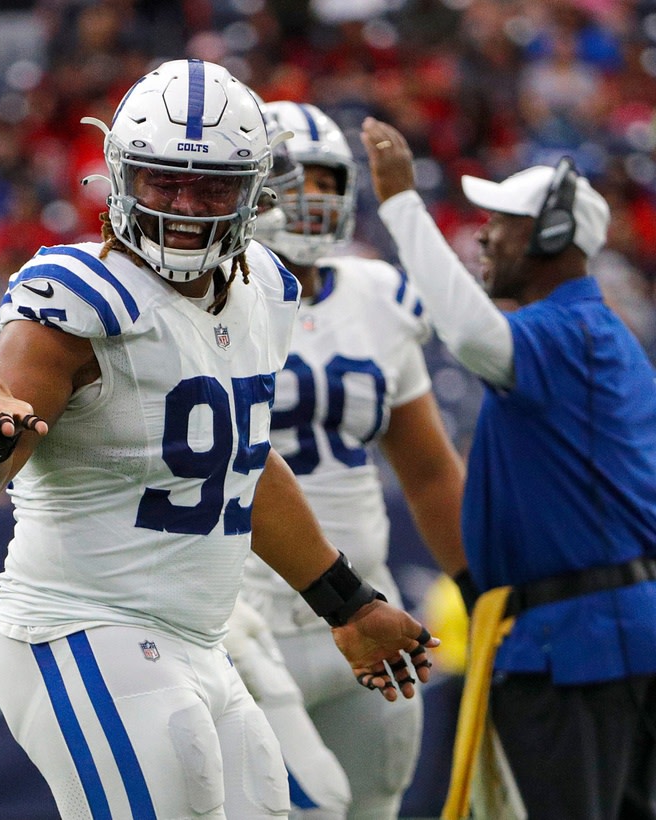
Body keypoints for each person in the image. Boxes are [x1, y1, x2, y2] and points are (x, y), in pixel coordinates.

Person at [0, 59, 438, 819]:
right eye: (163, 181)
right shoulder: (76, 294)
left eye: (211, 187)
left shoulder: (265, 287)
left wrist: (350, 605)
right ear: (119, 176)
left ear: (255, 191)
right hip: (83, 628)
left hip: (200, 639)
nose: (184, 207)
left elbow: (245, 464)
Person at [362, 117, 656, 820]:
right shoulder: (588, 333)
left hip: (578, 643)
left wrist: (404, 203)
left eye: (506, 222)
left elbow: (468, 333)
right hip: (601, 632)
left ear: (554, 236)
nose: (485, 235)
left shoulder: (566, 332)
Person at [226, 101, 470, 820]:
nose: (317, 197)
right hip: (243, 616)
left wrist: (478, 585)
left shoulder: (378, 293)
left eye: (330, 180)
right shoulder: (206, 295)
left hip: (372, 603)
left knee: (373, 807)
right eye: (295, 178)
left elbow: (427, 471)